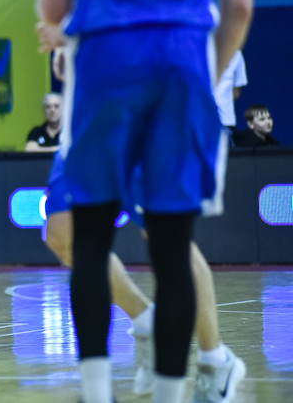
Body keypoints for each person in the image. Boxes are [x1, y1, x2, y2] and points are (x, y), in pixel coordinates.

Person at [33, 0, 253, 403]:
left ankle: (211, 358)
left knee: (126, 237)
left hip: (106, 66)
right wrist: (199, 76)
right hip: (169, 66)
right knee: (71, 231)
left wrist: (63, 28)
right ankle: (151, 330)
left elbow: (53, 4)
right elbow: (240, 4)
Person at [45, 47, 246, 402]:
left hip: (148, 112)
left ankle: (215, 359)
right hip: (88, 112)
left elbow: (233, 20)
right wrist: (61, 35)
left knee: (167, 241)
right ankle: (145, 320)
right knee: (61, 232)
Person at [213, 49, 247, 138]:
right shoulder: (195, 49)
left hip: (226, 122)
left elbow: (236, 92)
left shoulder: (236, 55)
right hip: (197, 122)